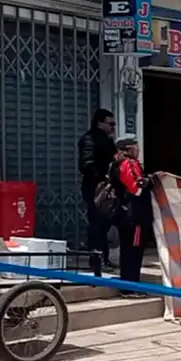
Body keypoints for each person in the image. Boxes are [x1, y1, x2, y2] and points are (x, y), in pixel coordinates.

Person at [109, 135, 151, 299]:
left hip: (126, 215)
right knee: (133, 253)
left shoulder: (116, 164)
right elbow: (137, 189)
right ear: (128, 149)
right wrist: (149, 181)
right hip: (133, 217)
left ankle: (128, 286)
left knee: (129, 251)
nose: (138, 149)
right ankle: (130, 288)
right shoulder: (128, 164)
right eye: (136, 146)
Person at [78, 109, 117, 269]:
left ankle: (104, 257)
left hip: (108, 189)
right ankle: (96, 261)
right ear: (100, 123)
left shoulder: (107, 140)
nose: (113, 127)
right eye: (111, 124)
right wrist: (100, 178)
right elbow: (86, 164)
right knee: (97, 224)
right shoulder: (89, 140)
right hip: (95, 189)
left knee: (105, 224)